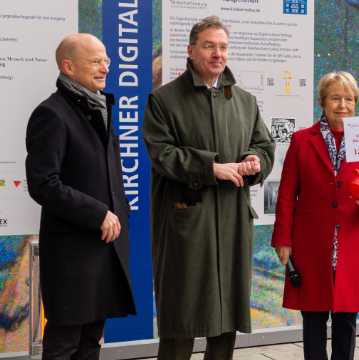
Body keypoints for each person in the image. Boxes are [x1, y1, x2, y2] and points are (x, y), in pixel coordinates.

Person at [142, 15, 275, 360]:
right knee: (181, 319)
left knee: (226, 319)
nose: (218, 54)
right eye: (209, 46)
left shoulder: (244, 101)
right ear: (190, 50)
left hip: (232, 219)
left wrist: (255, 161)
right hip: (188, 222)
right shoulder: (163, 100)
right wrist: (210, 167)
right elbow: (162, 154)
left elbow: (264, 145)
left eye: (223, 47)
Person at [25, 33, 136, 360]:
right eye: (96, 61)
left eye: (106, 61)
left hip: (105, 246)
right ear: (68, 67)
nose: (105, 68)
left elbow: (111, 176)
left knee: (91, 342)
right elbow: (43, 183)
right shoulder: (51, 113)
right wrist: (98, 213)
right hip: (73, 253)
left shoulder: (99, 106)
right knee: (64, 345)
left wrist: (121, 214)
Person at [271, 71, 359, 360]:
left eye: (349, 99)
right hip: (312, 243)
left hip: (352, 239)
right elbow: (286, 195)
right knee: (313, 318)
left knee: (346, 319)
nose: (342, 105)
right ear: (322, 102)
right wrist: (282, 239)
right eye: (335, 98)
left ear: (356, 103)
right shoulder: (300, 140)